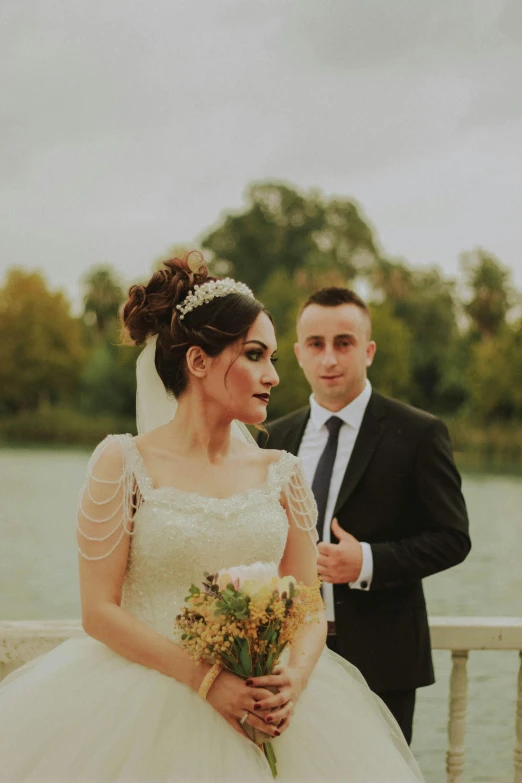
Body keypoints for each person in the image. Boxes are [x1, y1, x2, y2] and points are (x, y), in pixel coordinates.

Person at [0, 255, 425, 782]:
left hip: (267, 708)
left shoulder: (283, 472)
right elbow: (99, 611)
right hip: (142, 707)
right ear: (198, 362)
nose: (273, 375)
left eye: (272, 356)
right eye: (254, 355)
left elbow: (308, 603)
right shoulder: (123, 463)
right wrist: (208, 682)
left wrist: (293, 677)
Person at [259, 286, 471, 745]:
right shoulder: (271, 437)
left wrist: (368, 563)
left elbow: (453, 537)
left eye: (344, 343)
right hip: (283, 657)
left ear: (368, 350)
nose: (329, 359)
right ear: (298, 353)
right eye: (316, 344)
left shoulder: (419, 433)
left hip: (383, 657)